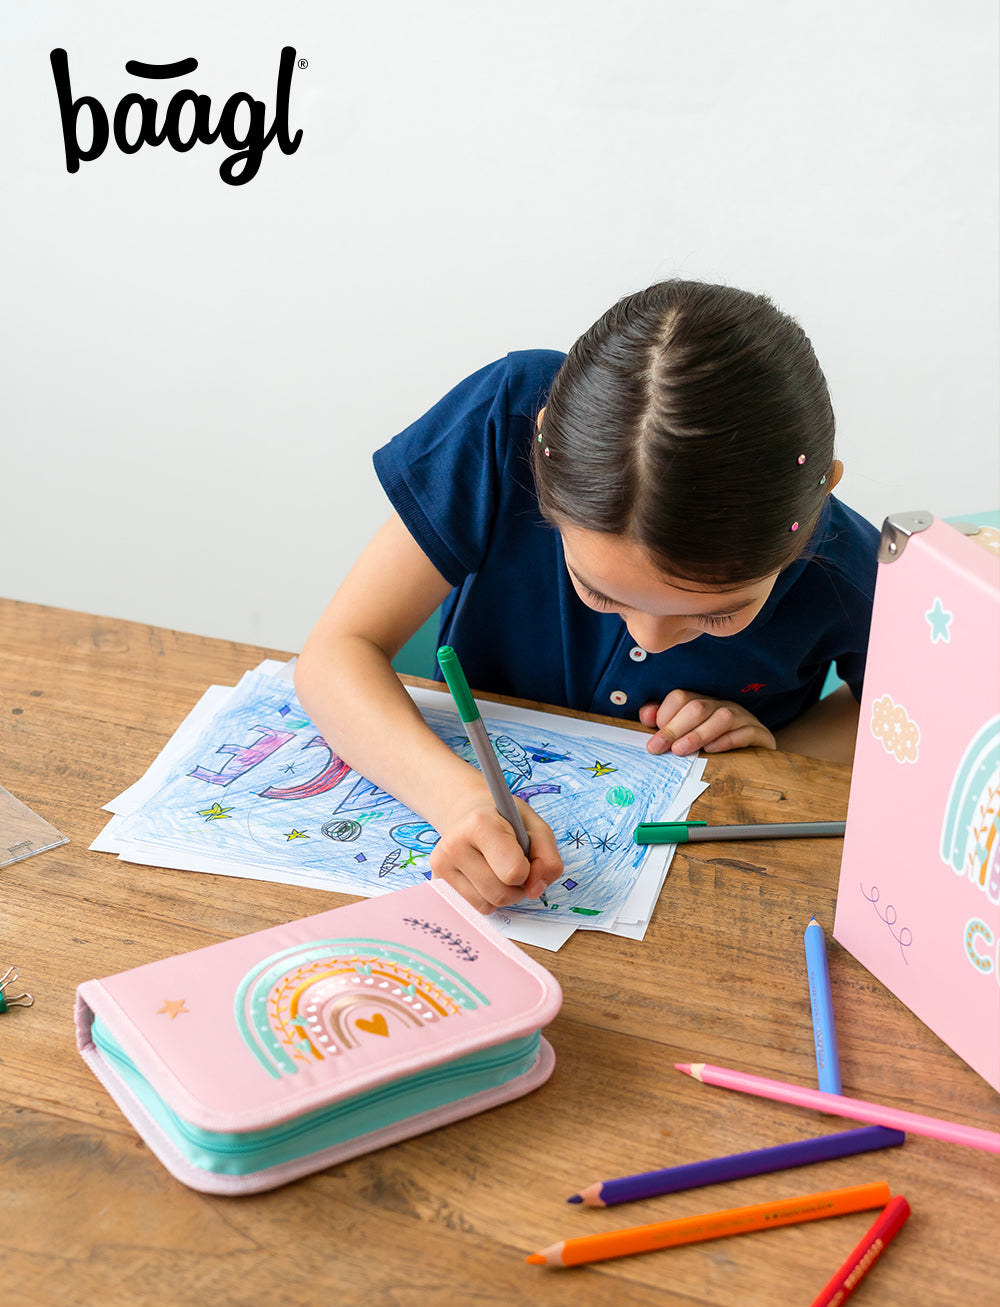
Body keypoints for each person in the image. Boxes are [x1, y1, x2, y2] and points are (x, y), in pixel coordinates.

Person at [295, 280, 879, 914]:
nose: (647, 638)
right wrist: (459, 801)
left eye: (717, 612)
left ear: (819, 500)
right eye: (601, 593)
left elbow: (907, 723)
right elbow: (337, 653)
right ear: (541, 461)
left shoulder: (850, 563)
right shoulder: (505, 420)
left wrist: (782, 751)